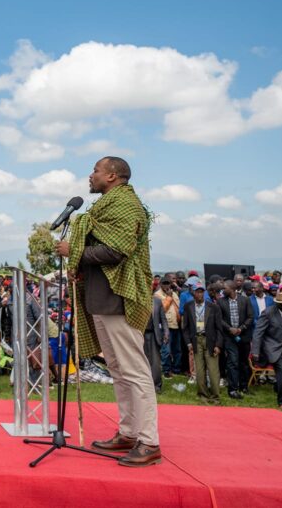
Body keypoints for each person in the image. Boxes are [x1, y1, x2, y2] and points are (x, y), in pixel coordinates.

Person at [57, 156, 159, 467]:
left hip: (119, 299)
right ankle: (128, 432)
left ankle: (149, 441)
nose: (91, 176)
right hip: (102, 299)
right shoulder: (104, 207)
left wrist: (74, 251)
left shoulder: (126, 205)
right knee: (118, 370)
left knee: (135, 371)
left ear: (112, 176)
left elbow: (118, 250)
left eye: (96, 171)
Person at [182, 284, 223, 404]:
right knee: (199, 371)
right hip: (196, 341)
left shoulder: (213, 307)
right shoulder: (188, 306)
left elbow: (219, 328)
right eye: (197, 292)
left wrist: (218, 345)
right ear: (193, 293)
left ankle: (215, 396)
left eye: (201, 292)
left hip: (210, 341)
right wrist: (188, 343)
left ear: (204, 293)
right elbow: (185, 328)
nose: (199, 294)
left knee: (213, 370)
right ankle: (203, 395)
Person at [216, 279, 253, 399]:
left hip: (243, 336)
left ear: (232, 289)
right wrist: (229, 328)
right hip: (229, 337)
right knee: (232, 362)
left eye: (225, 288)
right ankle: (232, 389)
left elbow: (250, 317)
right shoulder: (220, 302)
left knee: (243, 362)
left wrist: (241, 328)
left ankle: (244, 386)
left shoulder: (245, 300)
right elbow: (219, 319)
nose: (223, 290)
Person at [144, 294, 168, 393]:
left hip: (154, 335)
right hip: (141, 334)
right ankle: (144, 385)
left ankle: (157, 385)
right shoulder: (138, 299)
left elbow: (163, 319)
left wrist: (166, 332)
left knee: (155, 362)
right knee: (142, 361)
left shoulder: (157, 301)